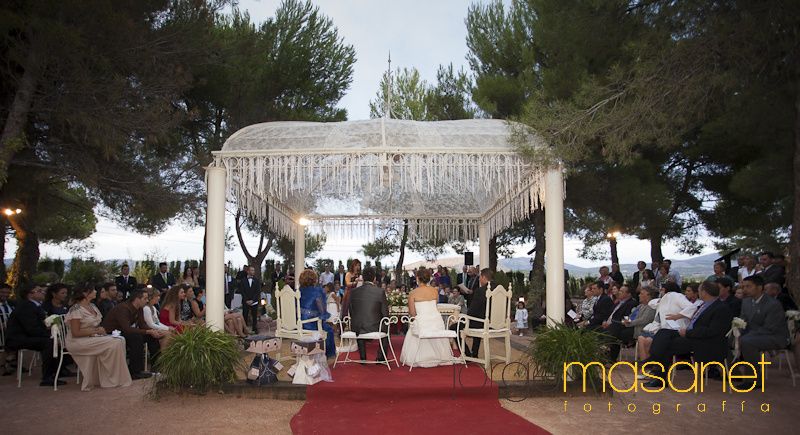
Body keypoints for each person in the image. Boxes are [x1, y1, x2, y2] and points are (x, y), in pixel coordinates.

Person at [643, 281, 733, 388]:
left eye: (699, 290)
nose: (698, 292)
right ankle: (654, 359)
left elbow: (712, 331)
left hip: (704, 341)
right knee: (664, 332)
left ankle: (657, 371)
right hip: (692, 335)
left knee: (666, 346)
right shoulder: (704, 305)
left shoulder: (721, 308)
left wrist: (688, 332)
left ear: (704, 292)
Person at [64, 286, 132, 391]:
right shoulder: (76, 309)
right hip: (78, 341)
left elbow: (95, 325)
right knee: (114, 343)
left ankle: (113, 376)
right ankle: (111, 378)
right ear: (85, 293)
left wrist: (99, 330)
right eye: (93, 290)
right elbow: (75, 332)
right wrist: (95, 331)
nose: (96, 292)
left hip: (92, 337)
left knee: (120, 339)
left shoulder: (93, 306)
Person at [736, 275, 789, 389]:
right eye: (743, 286)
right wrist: (736, 332)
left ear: (760, 287)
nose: (745, 289)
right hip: (753, 335)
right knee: (730, 337)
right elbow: (742, 321)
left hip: (775, 336)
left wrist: (745, 336)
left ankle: (753, 380)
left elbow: (770, 328)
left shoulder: (773, 304)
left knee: (747, 342)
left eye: (748, 286)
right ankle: (733, 372)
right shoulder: (746, 302)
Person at [4, 284, 64, 386]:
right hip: (18, 338)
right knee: (49, 342)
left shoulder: (35, 305)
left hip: (27, 335)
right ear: (30, 295)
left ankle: (58, 371)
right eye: (39, 291)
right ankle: (47, 377)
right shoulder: (26, 306)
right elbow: (31, 328)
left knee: (55, 340)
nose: (43, 292)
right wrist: (49, 335)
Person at [102, 290, 165, 379]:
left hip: (124, 332)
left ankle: (156, 367)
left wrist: (152, 331)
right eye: (145, 298)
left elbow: (142, 324)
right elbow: (126, 328)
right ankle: (135, 371)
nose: (147, 301)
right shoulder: (123, 308)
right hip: (112, 333)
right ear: (137, 299)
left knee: (152, 336)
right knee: (136, 338)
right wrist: (147, 331)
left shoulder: (139, 308)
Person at [400, 267, 454, 367]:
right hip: (436, 322)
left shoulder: (412, 293)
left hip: (422, 323)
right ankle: (439, 356)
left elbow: (412, 313)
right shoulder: (434, 291)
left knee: (413, 327)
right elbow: (435, 305)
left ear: (417, 278)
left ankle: (420, 358)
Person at [348, 266, 389, 362]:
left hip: (357, 327)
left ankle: (363, 357)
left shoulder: (353, 292)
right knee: (386, 324)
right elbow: (385, 313)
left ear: (363, 278)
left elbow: (351, 310)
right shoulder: (380, 292)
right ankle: (381, 357)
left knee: (359, 321)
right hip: (374, 327)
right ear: (374, 278)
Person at [451, 268, 491, 358]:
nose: (479, 279)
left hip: (482, 323)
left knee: (454, 327)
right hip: (494, 323)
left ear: (484, 277)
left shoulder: (480, 291)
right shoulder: (501, 289)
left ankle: (467, 354)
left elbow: (472, 311)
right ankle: (474, 353)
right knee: (477, 319)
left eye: (480, 277)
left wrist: (464, 316)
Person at [296, 270, 335, 358]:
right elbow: (323, 312)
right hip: (311, 324)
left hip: (297, 324)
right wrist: (323, 316)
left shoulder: (297, 291)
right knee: (329, 330)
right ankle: (328, 355)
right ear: (314, 279)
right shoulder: (317, 291)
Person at [602, 285, 636, 359]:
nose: (619, 293)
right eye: (619, 290)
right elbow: (609, 313)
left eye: (621, 291)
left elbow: (626, 317)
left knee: (613, 330)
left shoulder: (631, 303)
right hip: (610, 324)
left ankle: (609, 357)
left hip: (620, 325)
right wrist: (605, 321)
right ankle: (603, 354)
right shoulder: (618, 302)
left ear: (628, 294)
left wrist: (611, 323)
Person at [623, 287, 658, 359]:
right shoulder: (640, 306)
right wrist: (627, 320)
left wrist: (630, 323)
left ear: (648, 296)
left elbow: (644, 320)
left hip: (642, 329)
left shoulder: (651, 307)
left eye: (641, 294)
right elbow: (631, 316)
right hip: (634, 326)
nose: (639, 295)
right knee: (617, 329)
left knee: (620, 333)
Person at [237, 266, 261, 334]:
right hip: (246, 301)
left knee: (254, 315)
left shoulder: (256, 280)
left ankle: (254, 328)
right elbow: (242, 291)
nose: (253, 272)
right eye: (251, 270)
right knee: (245, 315)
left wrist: (253, 300)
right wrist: (246, 300)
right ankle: (244, 329)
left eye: (253, 270)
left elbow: (257, 292)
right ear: (248, 271)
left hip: (254, 301)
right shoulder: (243, 280)